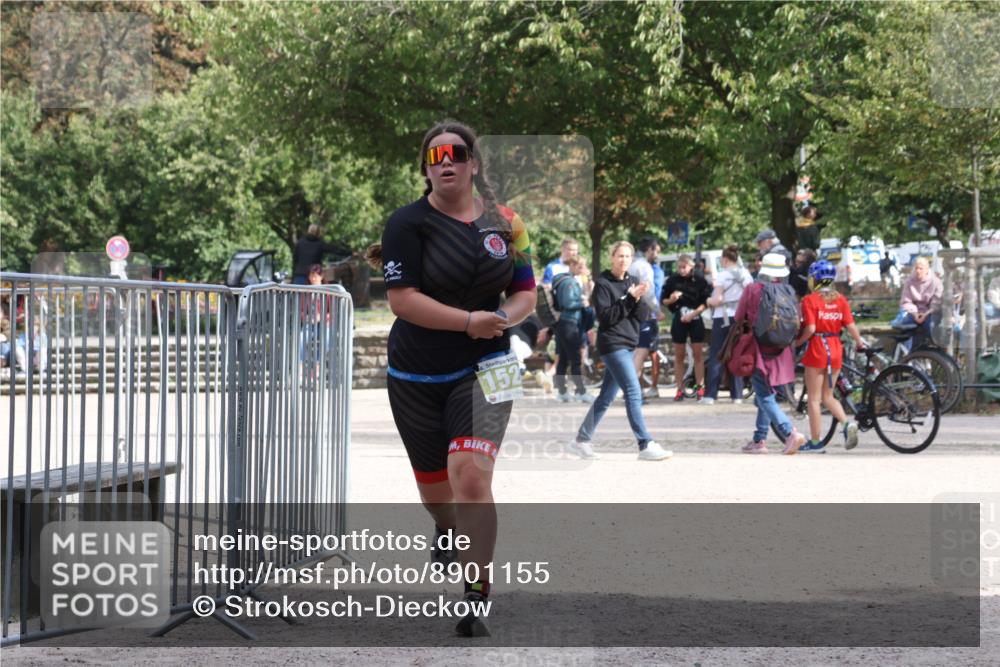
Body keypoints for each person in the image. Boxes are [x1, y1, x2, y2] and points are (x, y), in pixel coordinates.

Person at [366, 120, 537, 637]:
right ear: (425, 167)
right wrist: (467, 321)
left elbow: (526, 291)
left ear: (474, 163)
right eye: (435, 155)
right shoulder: (406, 223)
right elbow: (402, 300)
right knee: (438, 497)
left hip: (488, 367)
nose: (446, 162)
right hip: (416, 373)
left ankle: (476, 594)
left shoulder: (508, 223)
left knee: (471, 474)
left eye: (457, 154)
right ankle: (445, 528)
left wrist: (502, 320)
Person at [567, 241, 672, 462]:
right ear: (612, 257)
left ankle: (581, 440)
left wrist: (641, 296)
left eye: (627, 256)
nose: (624, 260)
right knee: (633, 391)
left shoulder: (633, 282)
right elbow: (607, 318)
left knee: (606, 397)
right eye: (620, 256)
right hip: (612, 344)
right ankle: (645, 443)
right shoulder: (603, 284)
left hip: (628, 343)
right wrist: (629, 298)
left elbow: (640, 316)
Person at [736, 253, 806, 455]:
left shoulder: (753, 289)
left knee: (764, 395)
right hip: (782, 349)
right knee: (766, 394)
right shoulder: (789, 290)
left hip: (759, 348)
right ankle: (759, 439)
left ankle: (789, 432)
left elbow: (739, 317)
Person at [794, 260, 866, 453]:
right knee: (829, 396)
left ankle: (816, 443)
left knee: (814, 400)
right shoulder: (840, 299)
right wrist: (859, 342)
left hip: (817, 349)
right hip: (835, 349)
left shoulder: (809, 300)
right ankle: (846, 424)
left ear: (814, 279)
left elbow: (810, 328)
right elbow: (850, 325)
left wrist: (798, 342)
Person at [703, 245, 753, 405]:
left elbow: (717, 300)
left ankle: (710, 395)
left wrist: (708, 301)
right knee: (737, 354)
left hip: (722, 318)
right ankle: (737, 395)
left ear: (724, 259)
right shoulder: (746, 275)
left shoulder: (723, 275)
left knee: (717, 354)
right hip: (741, 319)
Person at [661, 254, 711, 401]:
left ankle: (700, 388)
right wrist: (672, 299)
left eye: (684, 267)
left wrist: (693, 314)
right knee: (679, 355)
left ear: (691, 267)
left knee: (698, 355)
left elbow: (705, 302)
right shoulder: (672, 281)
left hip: (695, 318)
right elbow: (664, 301)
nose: (681, 270)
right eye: (679, 267)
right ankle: (679, 389)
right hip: (679, 318)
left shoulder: (700, 281)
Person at [552, 256, 594, 402]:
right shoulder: (569, 282)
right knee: (576, 359)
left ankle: (562, 392)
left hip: (565, 324)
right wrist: (582, 302)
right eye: (581, 266)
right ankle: (581, 392)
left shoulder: (569, 280)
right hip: (569, 323)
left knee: (563, 359)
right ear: (573, 265)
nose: (583, 269)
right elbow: (567, 303)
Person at [629, 237, 662, 399]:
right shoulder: (644, 267)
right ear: (650, 249)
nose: (657, 255)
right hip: (643, 313)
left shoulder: (630, 264)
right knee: (641, 352)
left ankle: (635, 390)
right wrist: (657, 310)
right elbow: (648, 292)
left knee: (635, 352)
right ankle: (634, 391)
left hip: (630, 313)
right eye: (656, 251)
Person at [893, 256, 943, 351]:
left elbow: (937, 302)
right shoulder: (909, 281)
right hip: (914, 312)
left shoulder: (935, 282)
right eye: (916, 268)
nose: (918, 271)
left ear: (927, 269)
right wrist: (915, 313)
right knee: (905, 326)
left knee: (932, 327)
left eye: (921, 268)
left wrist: (926, 314)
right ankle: (906, 354)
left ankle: (934, 353)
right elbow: (906, 301)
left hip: (929, 312)